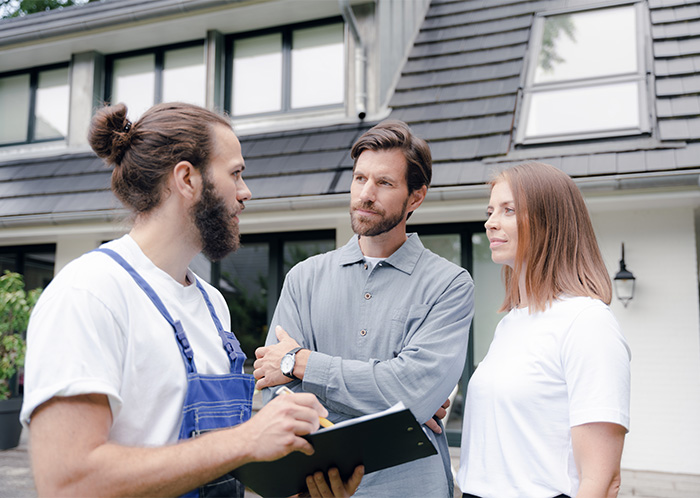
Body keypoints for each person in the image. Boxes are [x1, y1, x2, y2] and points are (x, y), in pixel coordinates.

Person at [20, 102, 363, 498]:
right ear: (186, 178)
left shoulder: (213, 305)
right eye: (235, 174)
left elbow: (211, 466)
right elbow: (67, 482)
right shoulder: (90, 293)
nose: (246, 192)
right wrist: (246, 440)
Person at [253, 120, 475, 497]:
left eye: (384, 183)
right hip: (318, 486)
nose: (365, 194)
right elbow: (275, 390)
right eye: (359, 179)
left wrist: (300, 363)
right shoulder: (303, 278)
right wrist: (395, 409)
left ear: (416, 197)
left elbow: (409, 391)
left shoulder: (449, 284)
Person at [457, 161, 631, 498]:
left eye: (508, 210)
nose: (490, 223)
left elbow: (602, 480)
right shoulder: (510, 324)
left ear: (548, 222)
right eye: (491, 211)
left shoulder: (587, 322)